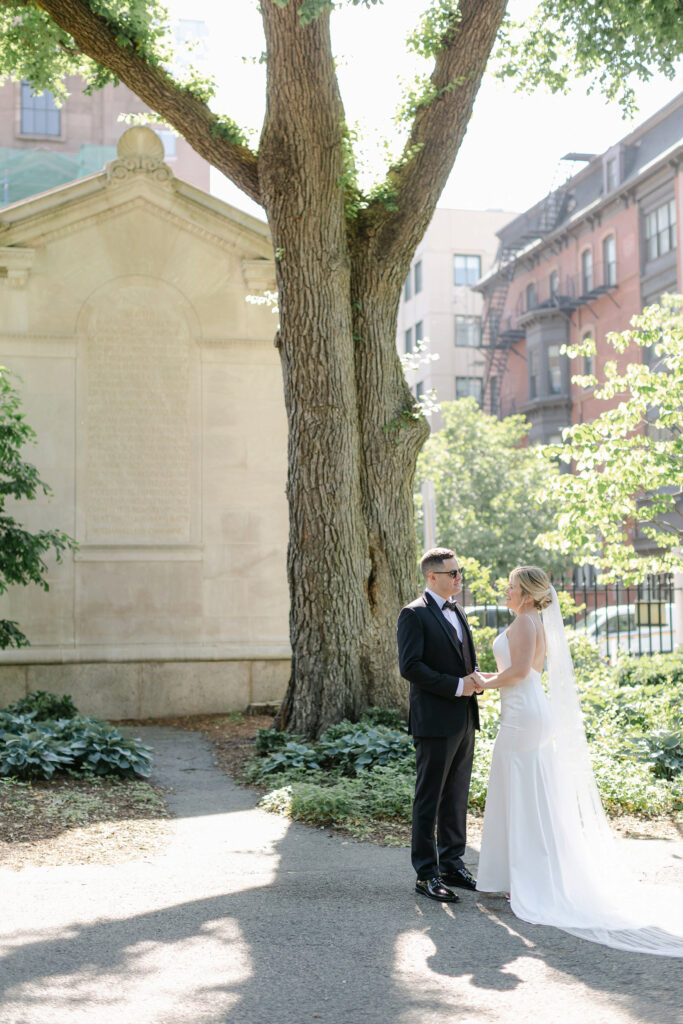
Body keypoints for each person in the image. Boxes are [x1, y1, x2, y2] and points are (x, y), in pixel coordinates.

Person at [474, 565, 683, 956]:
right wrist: (484, 677)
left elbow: (518, 672)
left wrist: (482, 683)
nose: (506, 590)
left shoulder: (523, 622)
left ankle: (528, 880)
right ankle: (528, 875)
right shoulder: (533, 620)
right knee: (529, 792)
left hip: (522, 716)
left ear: (528, 593)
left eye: (512, 586)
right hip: (530, 710)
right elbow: (523, 673)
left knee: (520, 793)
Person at [397, 547, 483, 904]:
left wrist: (473, 680)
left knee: (456, 795)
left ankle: (451, 863)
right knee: (428, 799)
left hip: (464, 718)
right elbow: (411, 667)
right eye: (453, 573)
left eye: (459, 571)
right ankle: (426, 874)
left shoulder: (457, 610)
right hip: (434, 720)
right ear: (432, 577)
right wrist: (457, 685)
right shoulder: (413, 614)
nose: (459, 578)